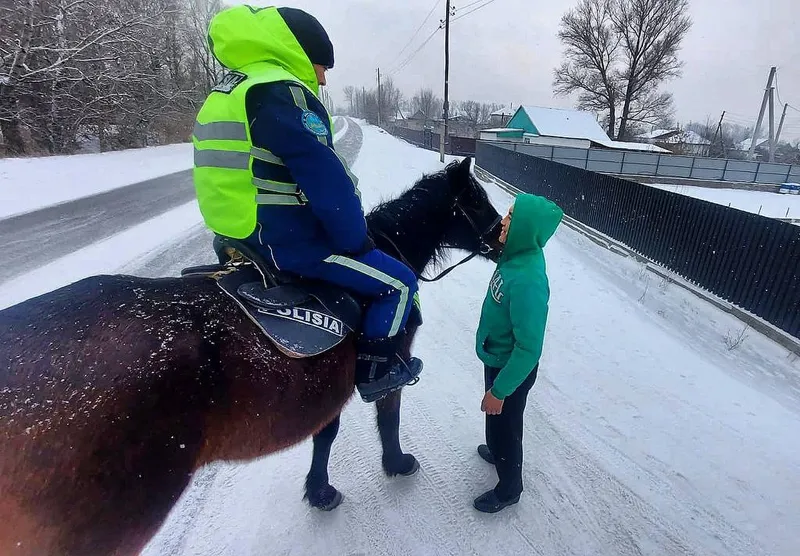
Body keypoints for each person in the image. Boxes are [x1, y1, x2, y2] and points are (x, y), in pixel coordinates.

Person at [191, 5, 422, 403]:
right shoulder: (283, 91)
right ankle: (375, 371)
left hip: (234, 233)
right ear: (296, 51)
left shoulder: (229, 91)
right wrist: (356, 240)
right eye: (320, 65)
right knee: (400, 283)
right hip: (286, 241)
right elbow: (325, 179)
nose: (323, 77)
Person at [472, 193, 563, 513]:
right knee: (494, 420)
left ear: (525, 228)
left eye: (511, 217)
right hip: (497, 357)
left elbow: (529, 348)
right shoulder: (514, 255)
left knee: (506, 426)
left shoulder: (528, 280)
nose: (503, 221)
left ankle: (510, 487)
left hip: (512, 367)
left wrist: (500, 390)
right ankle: (496, 450)